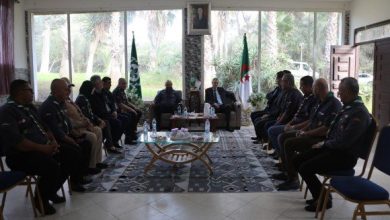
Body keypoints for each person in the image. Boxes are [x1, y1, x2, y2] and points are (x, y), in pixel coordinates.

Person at [294, 77, 371, 212]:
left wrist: (324, 144)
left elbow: (344, 142)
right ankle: (322, 194)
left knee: (306, 167)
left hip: (345, 156)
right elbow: (335, 134)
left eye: (342, 91)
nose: (339, 94)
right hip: (333, 149)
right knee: (297, 160)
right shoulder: (348, 108)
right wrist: (324, 144)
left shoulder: (359, 113)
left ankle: (324, 200)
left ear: (351, 92)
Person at [0, 80, 74, 214]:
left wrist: (52, 141)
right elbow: (19, 143)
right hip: (20, 156)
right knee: (51, 166)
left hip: (41, 148)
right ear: (20, 92)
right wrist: (43, 148)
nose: (33, 92)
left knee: (71, 154)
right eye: (30, 90)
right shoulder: (7, 111)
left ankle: (50, 191)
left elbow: (45, 127)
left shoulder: (30, 107)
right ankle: (41, 202)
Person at [274, 78, 342, 191]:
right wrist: (300, 131)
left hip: (319, 138)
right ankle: (288, 171)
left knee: (289, 143)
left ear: (318, 88)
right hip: (310, 133)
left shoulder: (333, 104)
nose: (313, 90)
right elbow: (311, 121)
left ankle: (293, 179)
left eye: (314, 87)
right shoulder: (320, 101)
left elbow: (325, 129)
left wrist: (306, 133)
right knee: (283, 137)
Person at [39, 79, 92, 192]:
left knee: (86, 143)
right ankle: (59, 187)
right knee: (74, 151)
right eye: (65, 89)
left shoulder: (61, 104)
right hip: (56, 141)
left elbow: (67, 125)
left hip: (65, 136)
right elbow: (57, 132)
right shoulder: (49, 106)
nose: (68, 91)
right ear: (56, 91)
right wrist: (73, 141)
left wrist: (76, 136)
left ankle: (78, 177)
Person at [61, 77, 106, 172]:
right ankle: (90, 166)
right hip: (76, 130)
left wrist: (88, 122)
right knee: (92, 136)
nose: (69, 90)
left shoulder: (70, 100)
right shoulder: (62, 103)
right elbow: (68, 122)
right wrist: (84, 123)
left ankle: (96, 162)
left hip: (83, 126)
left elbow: (83, 113)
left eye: (69, 88)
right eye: (67, 88)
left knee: (98, 130)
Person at [267, 75, 317, 155]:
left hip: (301, 127)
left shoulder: (313, 100)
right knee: (271, 128)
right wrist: (289, 124)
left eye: (302, 86)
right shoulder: (305, 97)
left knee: (274, 131)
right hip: (293, 123)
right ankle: (282, 155)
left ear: (309, 86)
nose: (300, 88)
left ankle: (283, 156)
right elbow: (296, 114)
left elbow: (310, 120)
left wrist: (294, 127)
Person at [75, 80, 120, 154]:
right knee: (107, 123)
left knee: (109, 122)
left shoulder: (86, 97)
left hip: (96, 118)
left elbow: (90, 113)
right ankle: (109, 145)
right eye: (92, 88)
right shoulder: (82, 99)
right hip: (88, 123)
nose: (93, 90)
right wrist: (98, 120)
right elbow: (86, 115)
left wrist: (98, 119)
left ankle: (110, 144)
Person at [89, 75, 124, 150]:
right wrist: (109, 114)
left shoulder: (105, 92)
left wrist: (114, 110)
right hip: (102, 116)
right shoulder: (93, 95)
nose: (102, 83)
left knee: (124, 119)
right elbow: (97, 110)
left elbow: (113, 102)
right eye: (100, 82)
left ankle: (115, 141)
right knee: (117, 123)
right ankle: (110, 144)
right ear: (95, 84)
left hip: (110, 114)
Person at [102, 77, 137, 145]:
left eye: (110, 83)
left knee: (129, 116)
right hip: (108, 115)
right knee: (125, 118)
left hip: (114, 113)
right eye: (108, 83)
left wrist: (114, 111)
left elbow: (113, 104)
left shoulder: (109, 93)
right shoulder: (104, 93)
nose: (110, 85)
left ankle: (130, 135)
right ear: (103, 84)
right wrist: (131, 109)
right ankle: (114, 141)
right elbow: (119, 104)